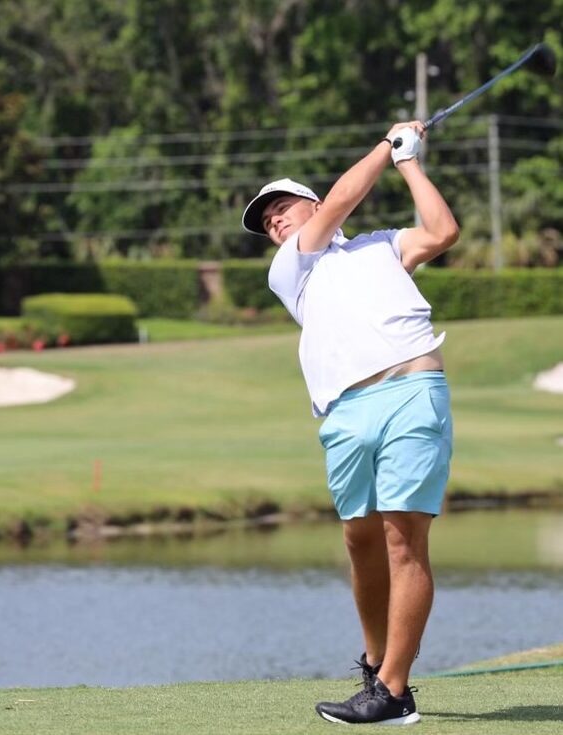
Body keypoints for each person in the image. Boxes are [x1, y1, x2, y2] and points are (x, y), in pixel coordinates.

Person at [241, 121, 459, 726]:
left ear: (309, 204)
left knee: (402, 538)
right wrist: (387, 145)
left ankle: (394, 690)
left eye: (282, 208)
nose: (274, 222)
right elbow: (342, 199)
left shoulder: (382, 246)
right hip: (344, 412)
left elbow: (442, 231)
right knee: (360, 539)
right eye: (266, 221)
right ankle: (376, 661)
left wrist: (410, 162)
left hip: (412, 391)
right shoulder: (292, 268)